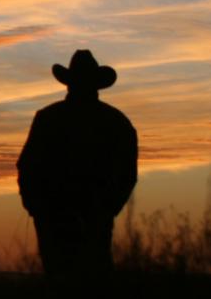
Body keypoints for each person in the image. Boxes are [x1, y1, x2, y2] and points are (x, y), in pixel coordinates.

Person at [17, 50, 137, 275]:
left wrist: (36, 207)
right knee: (94, 277)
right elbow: (128, 174)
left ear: (68, 83)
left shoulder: (48, 118)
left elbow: (27, 165)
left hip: (58, 214)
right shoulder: (116, 122)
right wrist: (108, 209)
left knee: (60, 276)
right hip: (84, 214)